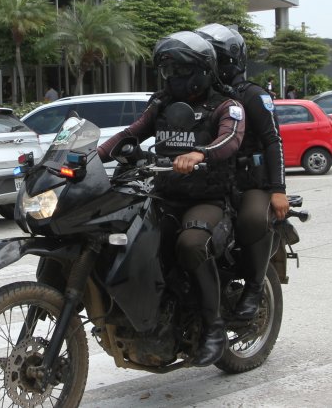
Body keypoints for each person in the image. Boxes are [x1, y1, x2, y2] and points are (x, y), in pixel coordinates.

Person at [97, 30, 245, 366]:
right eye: (168, 71)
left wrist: (200, 154)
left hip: (207, 199)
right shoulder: (161, 105)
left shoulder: (226, 106)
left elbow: (231, 141)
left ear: (204, 70)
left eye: (180, 70)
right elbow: (130, 133)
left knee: (190, 244)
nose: (173, 78)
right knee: (123, 238)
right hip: (163, 195)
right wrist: (93, 156)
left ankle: (214, 327)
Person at [195, 24, 289, 321]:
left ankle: (254, 286)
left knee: (250, 219)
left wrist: (278, 189)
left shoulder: (253, 96)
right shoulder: (204, 97)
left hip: (251, 183)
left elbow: (274, 141)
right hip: (211, 181)